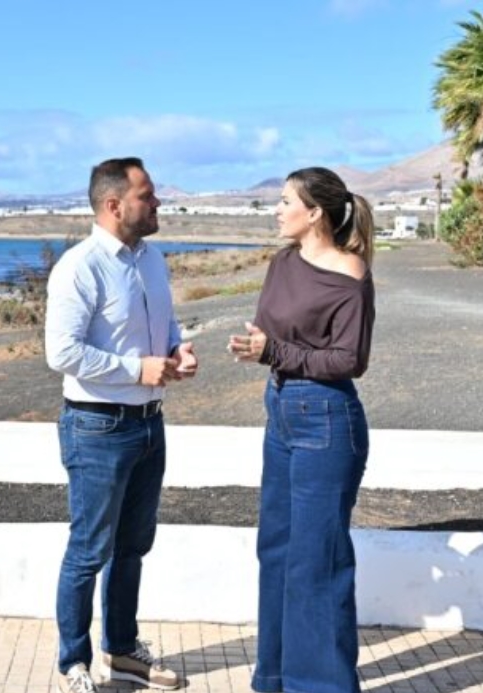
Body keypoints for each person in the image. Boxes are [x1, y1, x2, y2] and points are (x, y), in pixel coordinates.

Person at [46, 157, 196, 693]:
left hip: (150, 424)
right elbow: (61, 353)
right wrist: (138, 369)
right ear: (114, 205)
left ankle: (123, 650)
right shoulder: (79, 267)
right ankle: (73, 663)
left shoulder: (152, 259)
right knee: (89, 551)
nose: (157, 203)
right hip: (97, 428)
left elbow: (164, 321)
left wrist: (177, 349)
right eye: (147, 195)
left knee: (133, 547)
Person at [228, 167, 375, 693]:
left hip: (326, 420)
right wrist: (259, 347)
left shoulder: (350, 273)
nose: (276, 209)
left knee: (317, 561)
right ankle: (274, 678)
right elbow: (277, 335)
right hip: (281, 408)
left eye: (285, 200)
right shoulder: (283, 262)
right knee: (277, 552)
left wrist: (275, 351)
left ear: (314, 213)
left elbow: (349, 359)